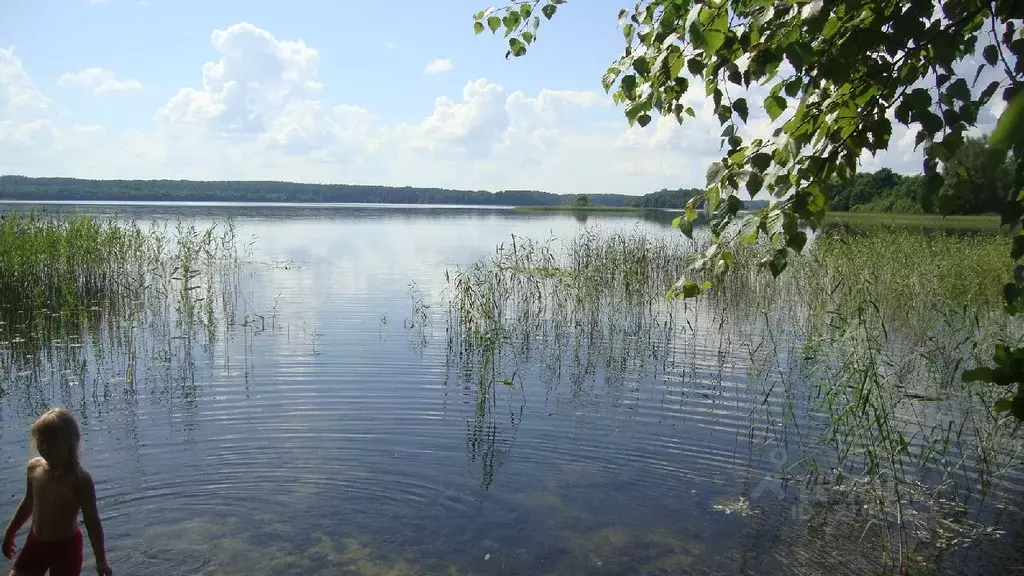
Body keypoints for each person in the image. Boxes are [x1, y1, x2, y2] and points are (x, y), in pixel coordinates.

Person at [2, 408, 112, 576]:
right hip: (36, 543)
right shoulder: (34, 468)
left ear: (69, 443)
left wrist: (101, 561)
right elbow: (28, 503)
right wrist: (10, 533)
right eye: (41, 442)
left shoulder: (79, 479)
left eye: (51, 443)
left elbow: (92, 522)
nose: (44, 448)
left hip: (66, 547)